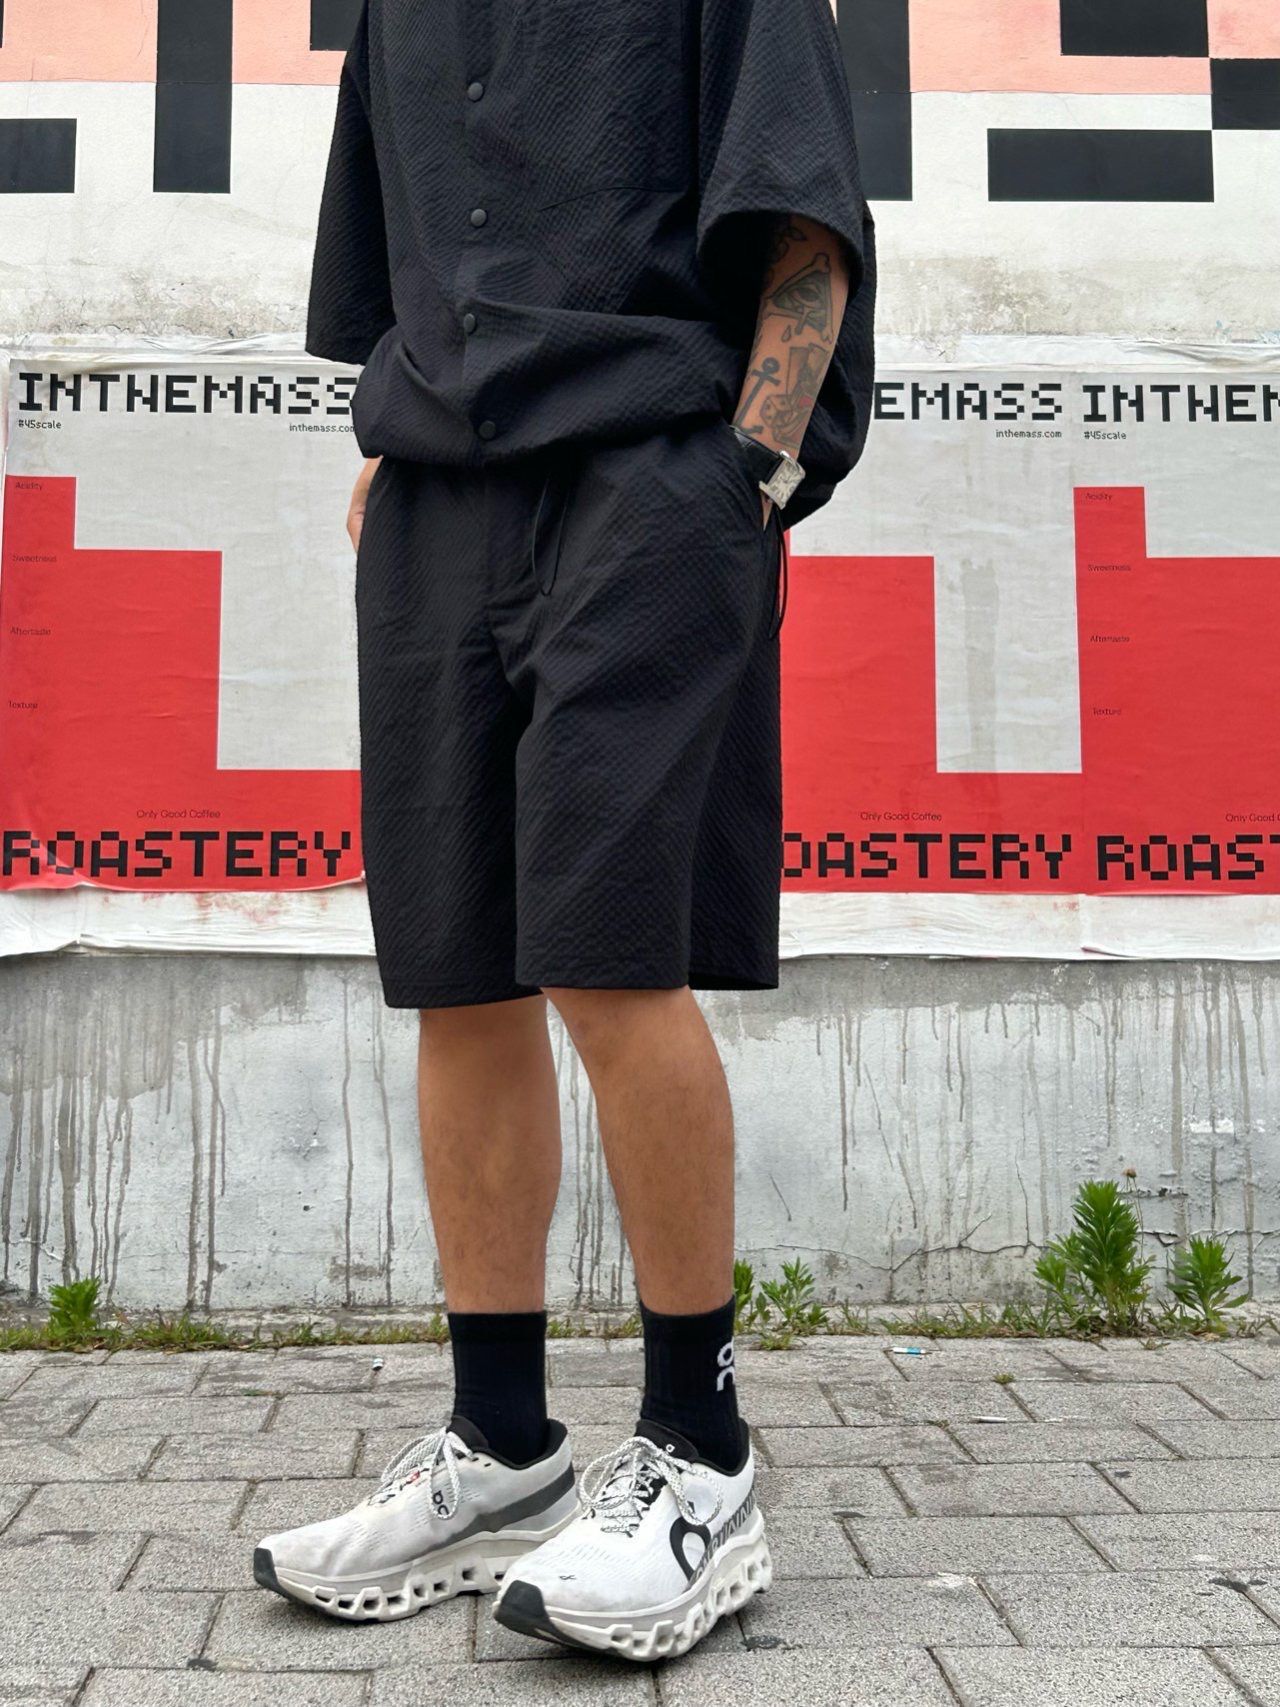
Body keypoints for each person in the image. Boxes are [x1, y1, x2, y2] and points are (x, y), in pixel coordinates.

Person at [253, 0, 875, 1661]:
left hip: (645, 478)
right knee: (457, 972)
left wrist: (748, 470)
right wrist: (405, 436)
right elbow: (401, 260)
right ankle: (503, 1444)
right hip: (441, 487)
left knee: (607, 956)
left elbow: (804, 227)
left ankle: (699, 1458)